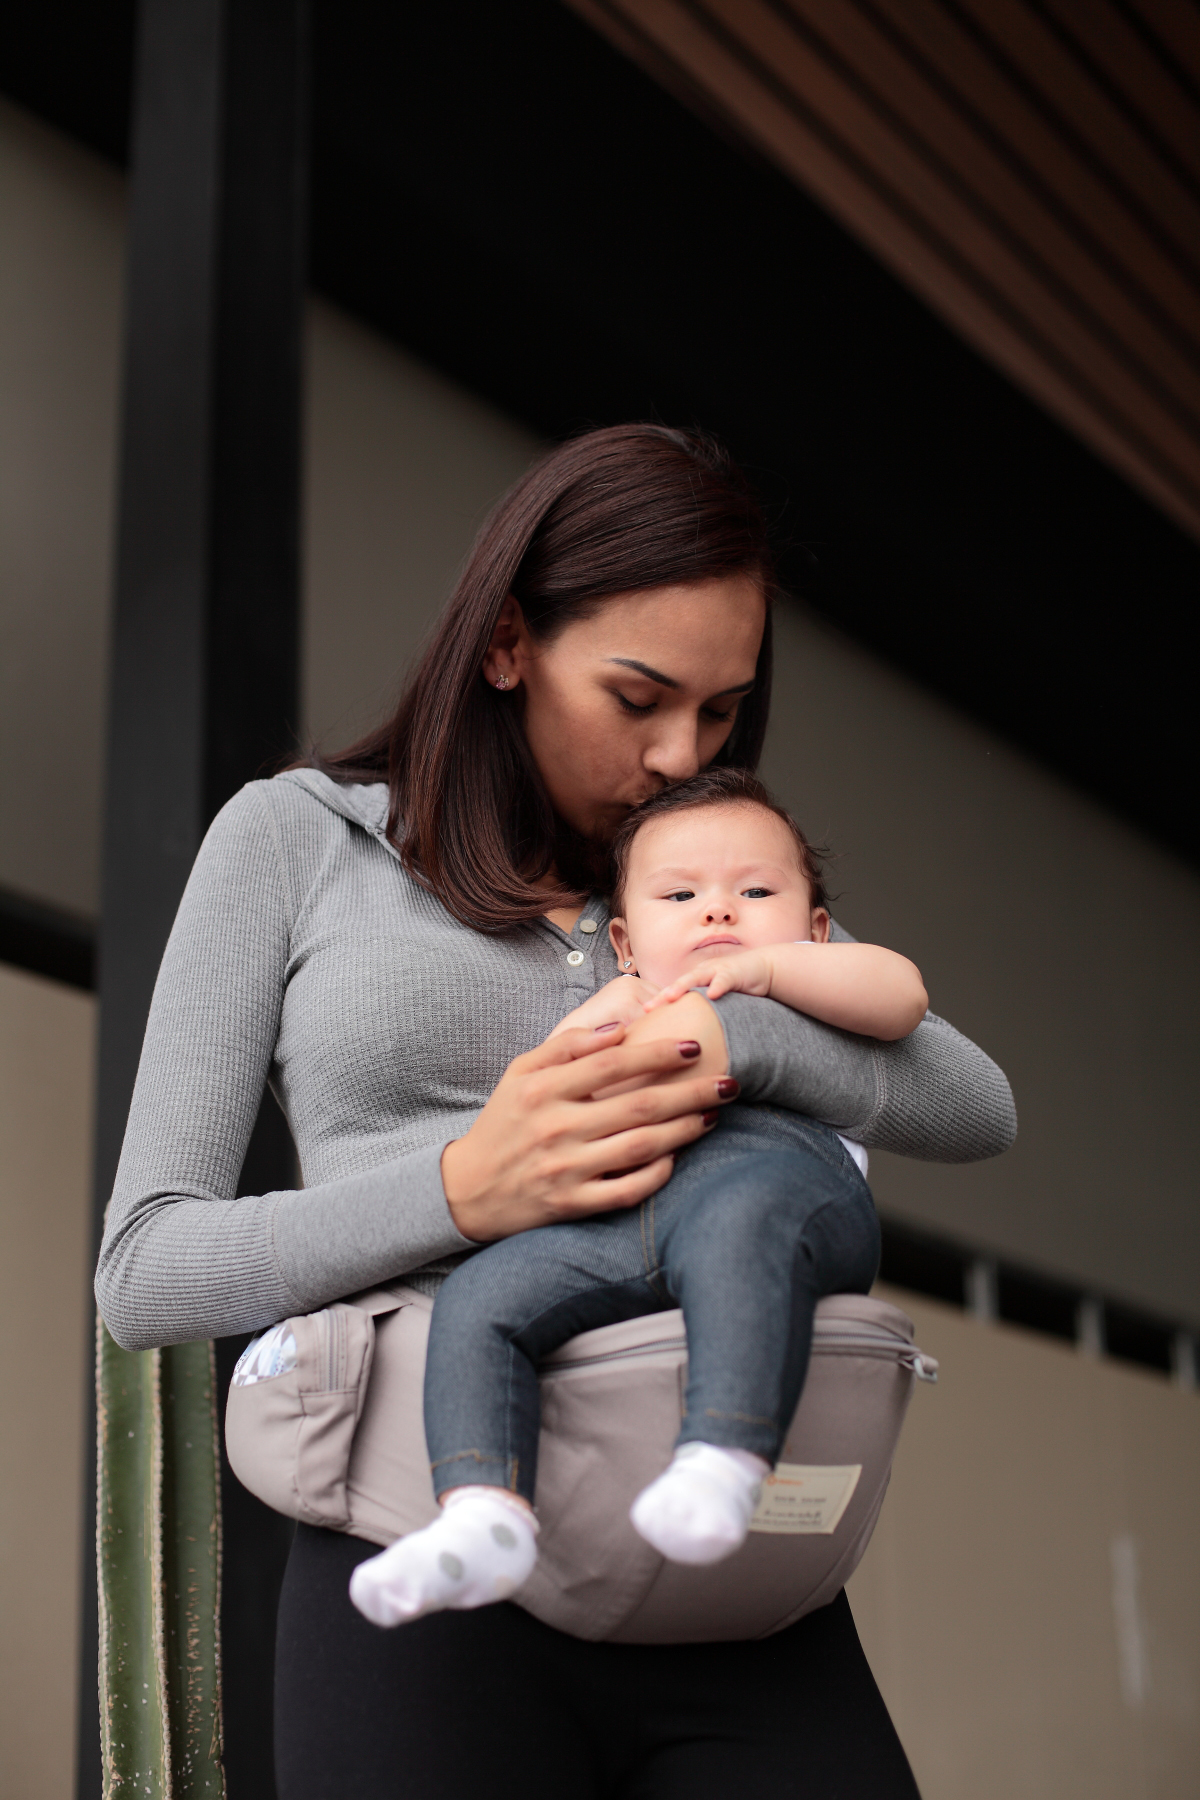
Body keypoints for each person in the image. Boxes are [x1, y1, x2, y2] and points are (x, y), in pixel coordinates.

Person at [96, 425, 1016, 1799]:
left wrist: (736, 1026)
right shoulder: (297, 844)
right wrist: (465, 1190)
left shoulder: (706, 889)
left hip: (730, 1573)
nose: (677, 753)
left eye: (720, 713)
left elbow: (969, 1099)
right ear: (509, 640)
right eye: (639, 696)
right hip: (427, 1541)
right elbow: (146, 1268)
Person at [349, 768, 929, 1627]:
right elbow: (553, 1089)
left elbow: (903, 996)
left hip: (788, 1195)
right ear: (624, 940)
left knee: (740, 1225)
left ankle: (723, 1458)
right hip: (636, 1214)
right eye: (682, 894)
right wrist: (610, 1021)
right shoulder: (626, 996)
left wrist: (773, 971)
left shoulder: (818, 980)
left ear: (815, 926)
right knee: (483, 1295)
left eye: (756, 890)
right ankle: (484, 1510)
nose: (719, 912)